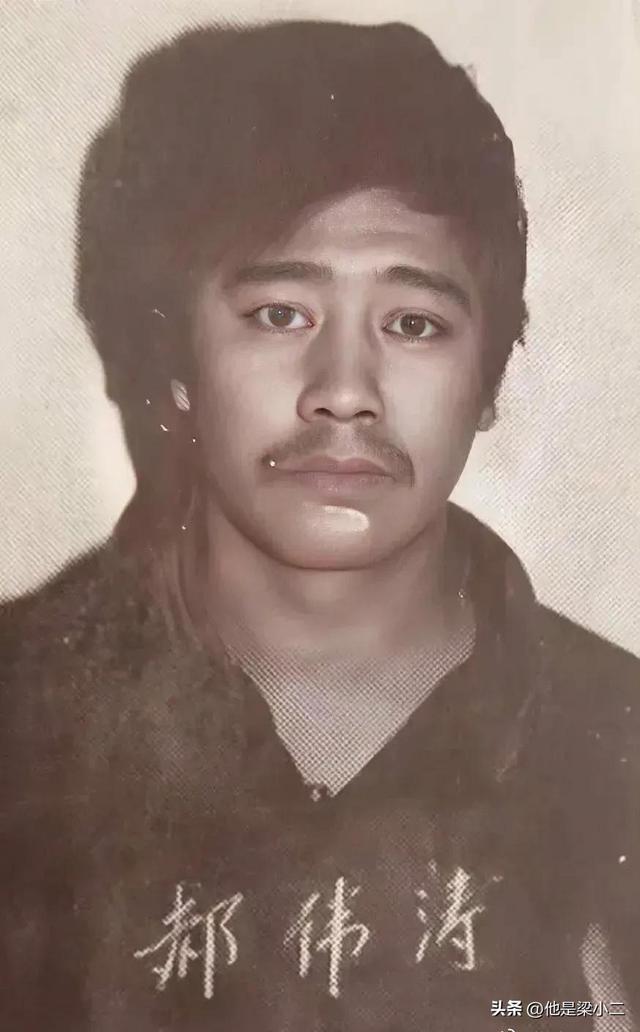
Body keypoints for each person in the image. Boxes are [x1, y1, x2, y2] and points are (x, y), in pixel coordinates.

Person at [1, 19, 638, 1031]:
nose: (344, 390)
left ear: (487, 381)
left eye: (413, 324)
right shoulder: (20, 721)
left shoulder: (616, 745)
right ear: (174, 359)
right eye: (279, 314)